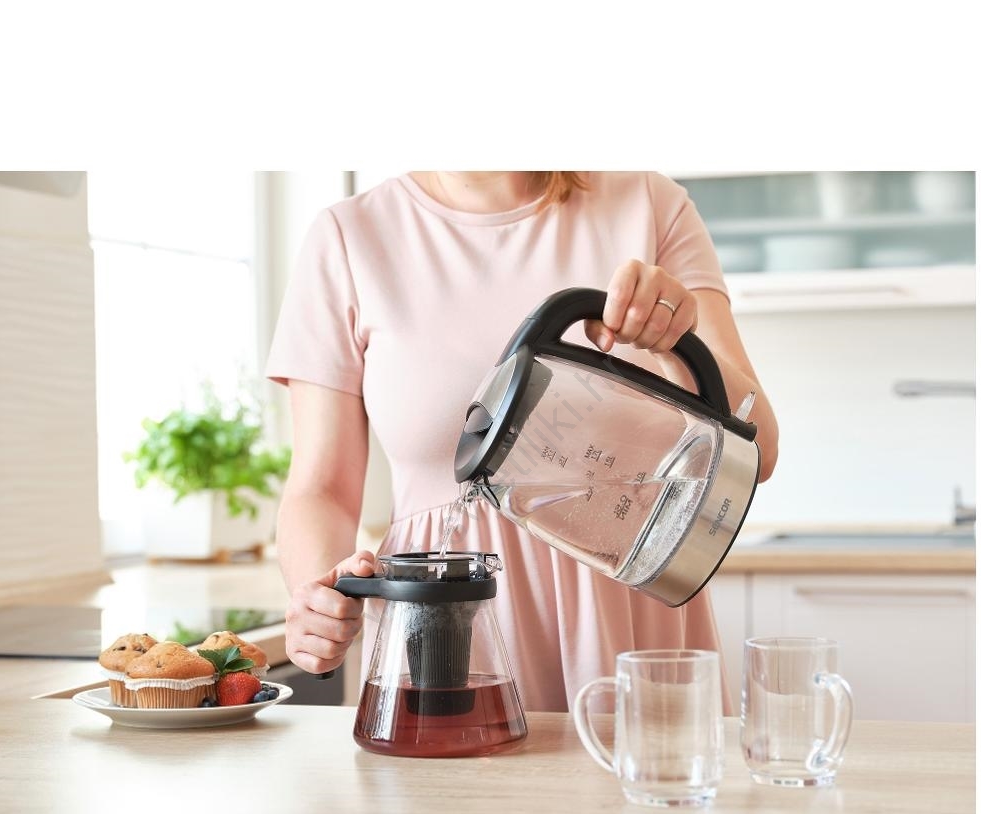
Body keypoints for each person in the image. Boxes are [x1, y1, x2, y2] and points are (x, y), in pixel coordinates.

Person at [265, 171, 778, 714]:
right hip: (443, 636)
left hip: (631, 615)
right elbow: (320, 488)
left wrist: (674, 341)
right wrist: (318, 599)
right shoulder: (349, 237)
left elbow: (759, 450)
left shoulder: (649, 205)